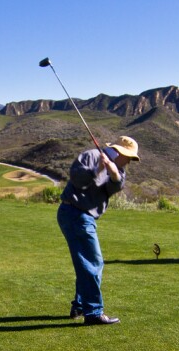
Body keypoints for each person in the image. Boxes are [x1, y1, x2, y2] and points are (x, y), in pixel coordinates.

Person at [57, 135, 140, 325]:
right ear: (120, 152)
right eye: (128, 157)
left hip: (84, 216)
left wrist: (113, 173)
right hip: (75, 213)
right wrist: (98, 169)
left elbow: (115, 187)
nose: (129, 162)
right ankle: (93, 312)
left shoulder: (118, 167)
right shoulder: (91, 156)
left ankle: (80, 305)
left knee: (87, 263)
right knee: (93, 262)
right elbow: (78, 180)